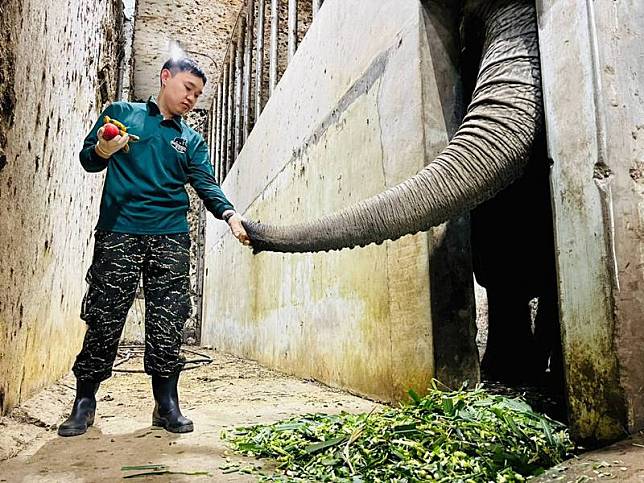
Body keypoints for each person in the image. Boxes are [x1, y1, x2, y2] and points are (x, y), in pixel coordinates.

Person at [58, 58, 249, 437]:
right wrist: (103, 149)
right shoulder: (121, 114)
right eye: (187, 88)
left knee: (168, 319)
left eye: (197, 94)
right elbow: (87, 160)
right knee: (105, 315)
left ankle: (166, 403)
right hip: (119, 232)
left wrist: (230, 215)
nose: (191, 98)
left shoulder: (190, 141)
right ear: (165, 78)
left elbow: (205, 184)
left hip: (170, 237)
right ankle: (84, 401)